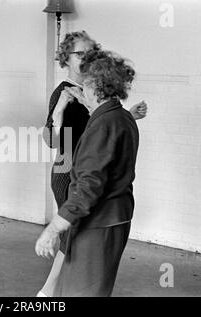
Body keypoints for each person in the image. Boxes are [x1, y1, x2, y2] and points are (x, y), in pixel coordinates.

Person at [38, 31, 146, 296]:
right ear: (67, 58)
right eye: (79, 53)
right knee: (70, 240)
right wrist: (58, 113)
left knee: (70, 241)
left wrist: (125, 117)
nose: (86, 58)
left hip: (89, 180)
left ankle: (48, 293)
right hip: (68, 170)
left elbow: (101, 133)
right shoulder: (63, 94)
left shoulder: (107, 111)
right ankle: (49, 292)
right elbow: (54, 142)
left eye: (90, 52)